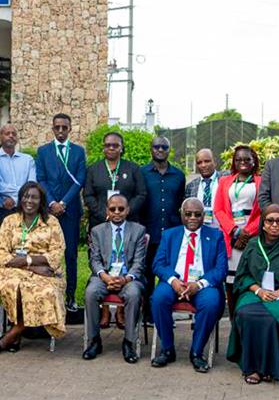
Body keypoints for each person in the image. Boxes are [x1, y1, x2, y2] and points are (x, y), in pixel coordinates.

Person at [226, 204, 279, 386]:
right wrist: (258, 290)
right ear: (263, 224)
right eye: (270, 221)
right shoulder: (252, 245)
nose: (275, 225)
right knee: (245, 313)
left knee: (273, 316)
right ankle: (253, 367)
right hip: (258, 291)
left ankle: (270, 368)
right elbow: (242, 276)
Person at [150, 198, 228, 372]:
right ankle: (168, 349)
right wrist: (174, 281)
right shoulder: (170, 235)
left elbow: (221, 269)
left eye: (197, 214)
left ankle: (197, 352)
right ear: (181, 215)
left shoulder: (215, 236)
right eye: (188, 214)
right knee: (158, 299)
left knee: (211, 303)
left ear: (203, 216)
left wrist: (198, 284)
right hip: (175, 282)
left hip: (202, 285)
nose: (193, 217)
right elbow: (158, 264)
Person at [0, 182, 67, 351]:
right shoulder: (9, 221)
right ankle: (17, 330)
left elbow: (56, 254)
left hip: (46, 274)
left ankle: (15, 332)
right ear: (20, 199)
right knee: (14, 285)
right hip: (15, 272)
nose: (29, 201)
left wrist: (23, 261)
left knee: (43, 290)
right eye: (26, 196)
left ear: (41, 201)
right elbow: (2, 255)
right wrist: (33, 265)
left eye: (34, 197)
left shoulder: (51, 222)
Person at [82, 194, 147, 363]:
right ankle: (94, 340)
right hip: (104, 276)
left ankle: (129, 342)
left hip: (128, 278)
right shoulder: (97, 231)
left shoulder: (138, 230)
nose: (117, 212)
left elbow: (139, 262)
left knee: (133, 294)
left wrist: (125, 279)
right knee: (90, 292)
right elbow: (94, 260)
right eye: (113, 209)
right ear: (107, 211)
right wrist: (105, 276)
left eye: (121, 209)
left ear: (128, 210)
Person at [35, 113, 87, 312]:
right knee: (47, 254)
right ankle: (49, 295)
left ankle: (71, 296)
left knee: (70, 254)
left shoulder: (78, 152)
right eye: (57, 127)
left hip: (70, 210)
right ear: (52, 128)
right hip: (49, 212)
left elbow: (80, 179)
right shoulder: (43, 151)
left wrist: (64, 202)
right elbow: (41, 179)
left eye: (64, 127)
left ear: (70, 128)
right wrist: (52, 202)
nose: (61, 131)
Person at [140, 135, 185, 324]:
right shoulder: (142, 173)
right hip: (149, 233)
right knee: (148, 275)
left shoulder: (178, 175)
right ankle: (149, 315)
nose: (160, 150)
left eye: (164, 147)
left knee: (170, 275)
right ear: (151, 149)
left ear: (169, 149)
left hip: (172, 235)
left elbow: (181, 203)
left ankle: (166, 314)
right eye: (156, 146)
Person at [213, 145, 263, 274]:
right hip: (230, 231)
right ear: (234, 162)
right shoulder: (224, 181)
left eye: (247, 159)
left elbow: (264, 211)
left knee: (250, 273)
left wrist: (246, 233)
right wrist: (235, 231)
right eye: (238, 159)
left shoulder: (261, 181)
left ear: (254, 161)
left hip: (252, 232)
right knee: (231, 276)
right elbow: (218, 209)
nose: (243, 162)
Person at [82, 131, 147, 229]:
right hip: (100, 222)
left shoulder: (133, 168)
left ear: (121, 148)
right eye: (108, 145)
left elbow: (141, 194)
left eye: (115, 145)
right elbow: (88, 195)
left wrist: (125, 211)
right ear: (103, 148)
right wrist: (105, 214)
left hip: (128, 222)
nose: (111, 148)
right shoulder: (93, 169)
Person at [0, 124, 37, 246]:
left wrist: (15, 199)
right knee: (2, 247)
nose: (11, 136)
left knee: (25, 246)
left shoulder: (28, 160)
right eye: (7, 133)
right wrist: (20, 191)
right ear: (0, 137)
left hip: (24, 210)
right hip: (1, 209)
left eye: (14, 134)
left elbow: (31, 186)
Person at [184, 148, 228, 229]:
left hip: (223, 231)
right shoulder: (191, 186)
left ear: (214, 162)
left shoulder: (226, 178)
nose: (203, 165)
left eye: (207, 161)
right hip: (200, 232)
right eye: (199, 163)